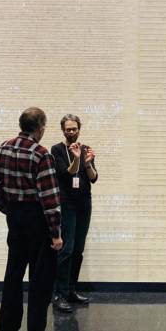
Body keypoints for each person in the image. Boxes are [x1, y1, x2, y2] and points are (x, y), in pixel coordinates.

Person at [0, 107, 63, 331]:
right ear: (40, 128)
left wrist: (10, 210)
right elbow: (50, 200)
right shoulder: (41, 155)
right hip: (38, 221)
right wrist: (56, 234)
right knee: (40, 281)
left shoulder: (4, 148)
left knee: (13, 276)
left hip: (16, 219)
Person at [51, 114, 98, 312]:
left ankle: (71, 290)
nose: (71, 132)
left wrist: (87, 163)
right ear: (63, 130)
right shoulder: (57, 150)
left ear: (79, 129)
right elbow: (65, 173)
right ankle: (59, 294)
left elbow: (94, 177)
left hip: (84, 204)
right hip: (67, 204)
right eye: (68, 129)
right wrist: (77, 160)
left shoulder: (86, 148)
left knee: (78, 250)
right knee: (67, 249)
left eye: (74, 128)